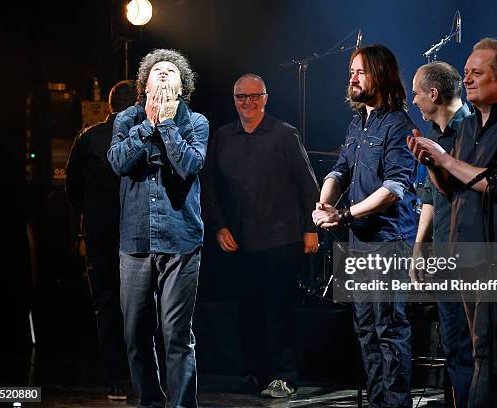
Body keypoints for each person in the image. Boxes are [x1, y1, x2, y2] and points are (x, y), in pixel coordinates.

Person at [407, 38, 497, 408]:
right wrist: (431, 162)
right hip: (468, 251)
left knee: (487, 354)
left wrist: (445, 158)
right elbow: (454, 189)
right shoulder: (470, 129)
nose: (467, 79)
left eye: (476, 73)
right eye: (466, 72)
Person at [312, 44, 418, 408]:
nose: (352, 79)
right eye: (351, 72)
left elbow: (394, 189)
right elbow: (340, 170)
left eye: (360, 72)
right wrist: (325, 202)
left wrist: (344, 214)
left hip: (389, 242)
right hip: (359, 243)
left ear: (380, 74)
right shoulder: (358, 123)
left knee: (389, 329)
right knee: (365, 330)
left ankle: (395, 403)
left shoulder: (400, 125)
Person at [202, 73, 319, 398]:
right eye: (242, 97)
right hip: (240, 241)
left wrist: (311, 229)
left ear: (266, 98)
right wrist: (219, 226)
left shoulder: (284, 135)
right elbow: (208, 188)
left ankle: (285, 376)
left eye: (255, 96)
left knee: (278, 310)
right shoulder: (224, 137)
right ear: (234, 100)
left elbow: (307, 185)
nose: (248, 102)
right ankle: (257, 373)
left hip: (281, 238)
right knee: (248, 311)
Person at [107, 49, 209, 408]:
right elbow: (118, 162)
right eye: (156, 71)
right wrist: (148, 126)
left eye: (170, 71)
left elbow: (189, 166)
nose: (163, 74)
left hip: (180, 240)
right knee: (135, 332)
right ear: (144, 84)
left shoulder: (195, 122)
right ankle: (149, 401)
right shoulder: (127, 120)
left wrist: (165, 125)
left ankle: (181, 405)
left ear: (182, 87)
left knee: (176, 333)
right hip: (135, 241)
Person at [65, 79, 136, 401]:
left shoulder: (88, 137)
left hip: (101, 233)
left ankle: (117, 380)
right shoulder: (145, 138)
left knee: (107, 305)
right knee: (142, 305)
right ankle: (144, 376)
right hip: (138, 235)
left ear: (110, 106)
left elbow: (72, 189)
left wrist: (92, 216)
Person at [409, 62, 473, 408]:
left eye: (417, 93)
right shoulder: (433, 136)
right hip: (446, 254)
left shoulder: (473, 129)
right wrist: (420, 246)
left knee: (487, 352)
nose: (414, 100)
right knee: (455, 347)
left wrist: (438, 163)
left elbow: (467, 187)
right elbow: (433, 197)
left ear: (433, 94)